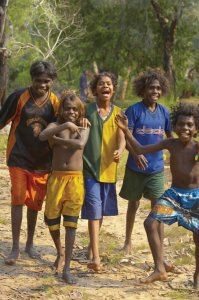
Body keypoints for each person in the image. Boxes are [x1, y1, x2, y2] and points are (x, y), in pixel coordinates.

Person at [115, 102, 199, 288]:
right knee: (150, 223)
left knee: (197, 237)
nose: (184, 128)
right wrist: (127, 132)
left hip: (195, 197)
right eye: (181, 124)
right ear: (174, 126)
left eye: (189, 125)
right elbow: (141, 150)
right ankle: (159, 268)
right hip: (174, 195)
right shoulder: (170, 143)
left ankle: (197, 275)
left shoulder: (197, 148)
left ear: (196, 128)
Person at [0, 60, 59, 265]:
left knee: (34, 204)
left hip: (42, 162)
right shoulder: (19, 97)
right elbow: (2, 121)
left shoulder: (56, 102)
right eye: (38, 81)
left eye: (46, 81)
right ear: (31, 79)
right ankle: (15, 247)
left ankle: (30, 244)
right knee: (17, 199)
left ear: (52, 81)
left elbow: (67, 124)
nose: (42, 85)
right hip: (18, 156)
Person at [119, 68, 173, 258]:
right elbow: (126, 137)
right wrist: (135, 155)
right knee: (133, 204)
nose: (155, 92)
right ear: (143, 90)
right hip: (135, 168)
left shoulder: (164, 112)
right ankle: (127, 241)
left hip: (156, 169)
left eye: (158, 88)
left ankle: (160, 251)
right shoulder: (134, 110)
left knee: (158, 209)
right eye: (151, 88)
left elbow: (170, 137)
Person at [39, 90, 90, 284]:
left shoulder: (84, 127)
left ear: (80, 111)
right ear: (61, 110)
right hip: (56, 179)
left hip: (75, 180)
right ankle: (59, 252)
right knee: (52, 219)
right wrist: (66, 126)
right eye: (67, 109)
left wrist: (57, 141)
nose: (71, 112)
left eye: (75, 110)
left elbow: (79, 145)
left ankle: (67, 267)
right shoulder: (55, 125)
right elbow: (43, 136)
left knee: (71, 223)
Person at [81, 71, 126, 271]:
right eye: (101, 84)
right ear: (95, 89)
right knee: (93, 209)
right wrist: (80, 123)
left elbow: (122, 136)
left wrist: (121, 149)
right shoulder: (86, 110)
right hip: (89, 168)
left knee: (100, 212)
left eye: (108, 83)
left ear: (113, 89)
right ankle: (96, 258)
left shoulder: (118, 113)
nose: (105, 86)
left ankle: (92, 245)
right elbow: (75, 125)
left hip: (109, 169)